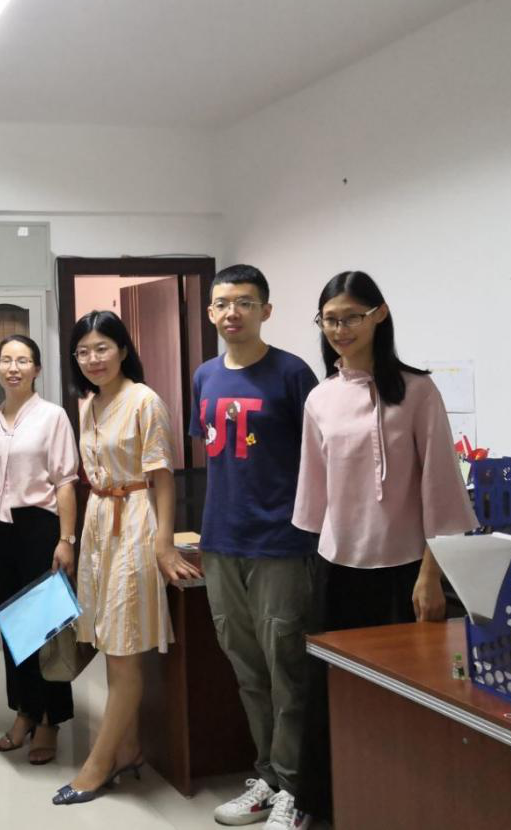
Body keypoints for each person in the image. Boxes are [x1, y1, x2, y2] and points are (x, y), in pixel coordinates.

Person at [291, 271, 478, 823]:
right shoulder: (320, 399)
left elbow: (439, 489)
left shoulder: (418, 391)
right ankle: (320, 805)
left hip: (405, 571)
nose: (339, 329)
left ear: (379, 315)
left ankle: (399, 807)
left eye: (351, 316)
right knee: (327, 693)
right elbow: (314, 498)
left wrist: (431, 575)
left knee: (405, 696)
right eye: (330, 319)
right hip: (337, 568)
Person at [189, 264, 320, 830]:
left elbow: (318, 460)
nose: (232, 312)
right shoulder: (204, 376)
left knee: (287, 671)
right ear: (210, 313)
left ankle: (295, 789)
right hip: (221, 543)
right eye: (222, 303)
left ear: (266, 310)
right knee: (247, 670)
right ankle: (267, 778)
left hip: (281, 544)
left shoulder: (292, 374)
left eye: (244, 302)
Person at [53, 310, 199, 806]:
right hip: (99, 522)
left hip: (135, 521)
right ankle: (130, 747)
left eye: (102, 348)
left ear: (122, 349)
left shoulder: (145, 400)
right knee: (109, 642)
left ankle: (98, 765)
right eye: (83, 351)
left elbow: (162, 477)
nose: (93, 359)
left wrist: (163, 542)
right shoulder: (88, 405)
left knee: (124, 647)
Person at [0, 334, 79, 766]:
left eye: (23, 360)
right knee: (13, 628)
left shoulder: (52, 417)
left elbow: (65, 482)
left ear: (37, 369)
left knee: (46, 629)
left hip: (39, 529)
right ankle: (25, 711)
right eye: (6, 360)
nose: (13, 368)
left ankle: (51, 718)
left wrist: (66, 539)